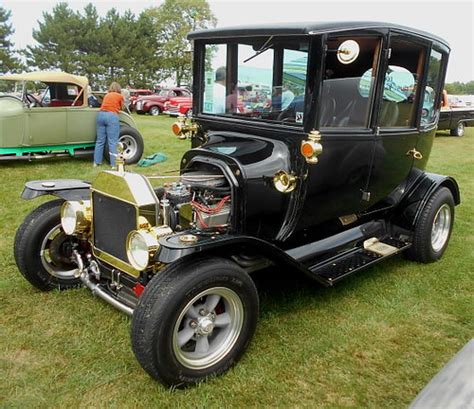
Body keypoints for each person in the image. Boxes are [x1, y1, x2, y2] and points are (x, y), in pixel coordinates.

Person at [94, 82, 124, 168]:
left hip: (101, 115)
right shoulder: (119, 96)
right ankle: (114, 164)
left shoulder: (107, 95)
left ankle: (96, 162)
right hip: (111, 116)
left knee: (100, 141)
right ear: (119, 89)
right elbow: (122, 107)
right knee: (112, 141)